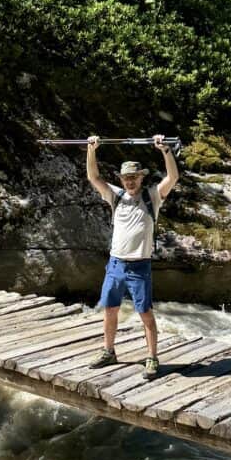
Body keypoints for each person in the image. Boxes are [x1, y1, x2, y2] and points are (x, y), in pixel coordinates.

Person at [85, 134, 179, 380]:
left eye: (133, 177)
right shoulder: (115, 196)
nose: (129, 181)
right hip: (115, 264)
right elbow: (93, 177)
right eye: (126, 178)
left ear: (141, 178)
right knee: (110, 309)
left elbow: (173, 178)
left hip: (139, 267)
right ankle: (108, 351)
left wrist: (165, 150)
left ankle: (152, 358)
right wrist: (91, 149)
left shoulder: (152, 197)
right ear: (122, 179)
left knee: (145, 312)